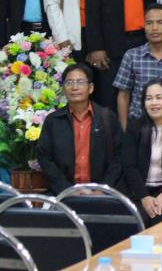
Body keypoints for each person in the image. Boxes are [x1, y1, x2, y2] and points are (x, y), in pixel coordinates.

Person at [36, 63, 123, 195]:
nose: (74, 87)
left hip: (102, 194)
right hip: (64, 194)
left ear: (91, 88)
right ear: (63, 88)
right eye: (69, 82)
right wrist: (66, 190)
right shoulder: (53, 121)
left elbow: (119, 156)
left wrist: (103, 189)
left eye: (80, 82)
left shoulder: (107, 118)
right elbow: (44, 157)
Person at [121, 80, 162, 226]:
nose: (154, 103)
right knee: (138, 221)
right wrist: (144, 197)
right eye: (149, 98)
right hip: (139, 192)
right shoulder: (134, 128)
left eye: (159, 97)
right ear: (144, 103)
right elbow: (129, 166)